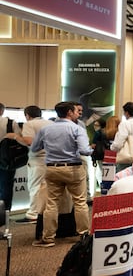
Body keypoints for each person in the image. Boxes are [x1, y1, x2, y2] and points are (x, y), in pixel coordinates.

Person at [30, 101, 93, 247]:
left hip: (52, 169)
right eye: (76, 111)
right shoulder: (77, 129)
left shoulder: (46, 129)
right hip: (73, 169)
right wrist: (92, 150)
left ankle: (48, 238)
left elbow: (34, 148)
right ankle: (83, 235)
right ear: (69, 113)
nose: (78, 113)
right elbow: (84, 150)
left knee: (51, 204)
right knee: (80, 202)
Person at [18, 105, 51, 222]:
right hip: (51, 160)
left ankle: (33, 214)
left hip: (37, 161)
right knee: (46, 188)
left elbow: (29, 142)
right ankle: (43, 212)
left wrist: (16, 137)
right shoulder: (50, 123)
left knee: (35, 187)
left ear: (27, 115)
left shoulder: (29, 124)